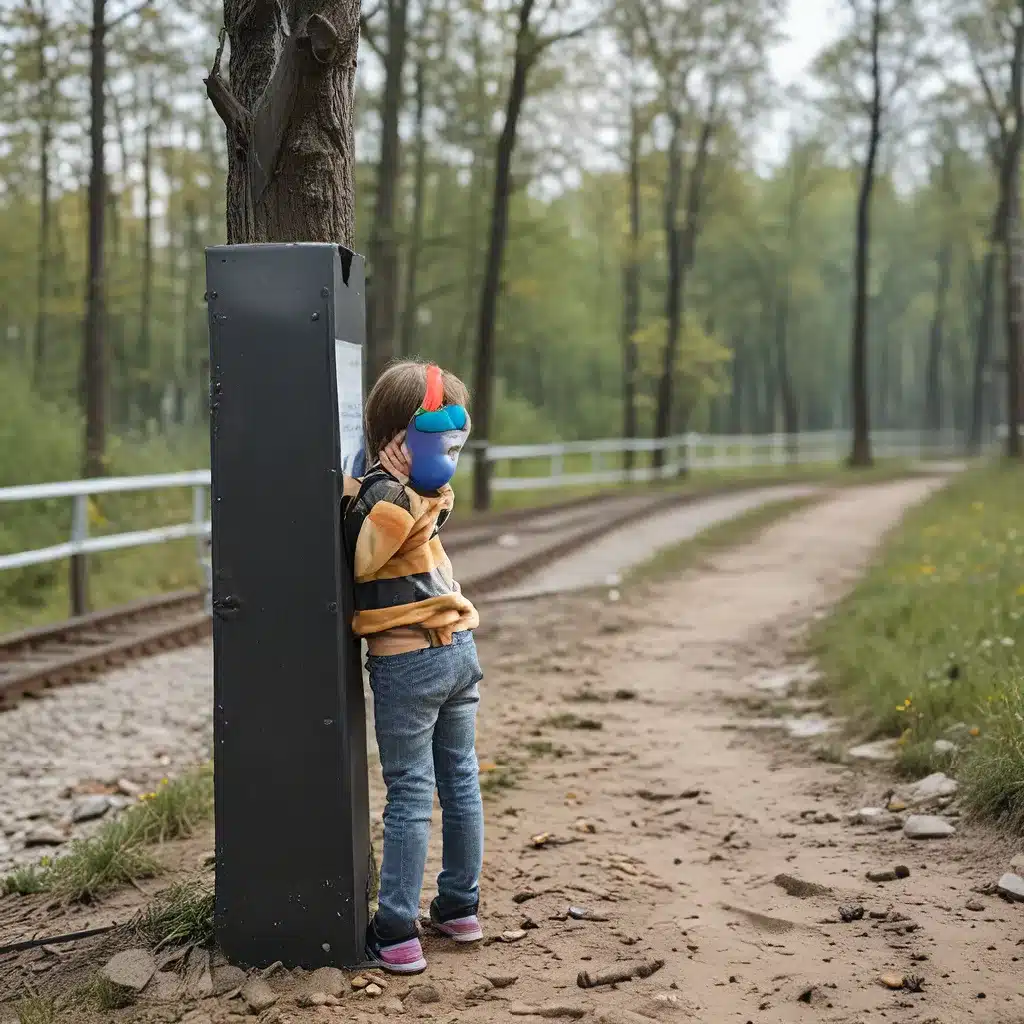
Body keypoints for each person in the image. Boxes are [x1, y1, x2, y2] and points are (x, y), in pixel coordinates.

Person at [342, 360, 484, 975]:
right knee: (459, 782)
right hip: (456, 651)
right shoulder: (422, 493)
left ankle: (397, 929)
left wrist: (378, 491)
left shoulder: (391, 496)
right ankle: (459, 907)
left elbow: (364, 561)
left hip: (411, 661)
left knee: (410, 792)